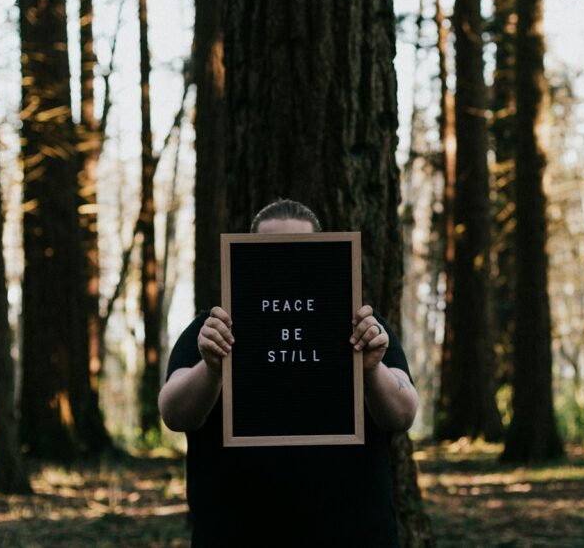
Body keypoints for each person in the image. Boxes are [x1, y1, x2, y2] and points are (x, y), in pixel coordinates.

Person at [159, 199, 419, 547]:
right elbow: (173, 413)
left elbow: (403, 415)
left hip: (352, 535)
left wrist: (371, 370)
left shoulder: (361, 327)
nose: (284, 259)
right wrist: (211, 368)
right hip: (237, 534)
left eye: (300, 249)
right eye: (269, 250)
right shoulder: (213, 328)